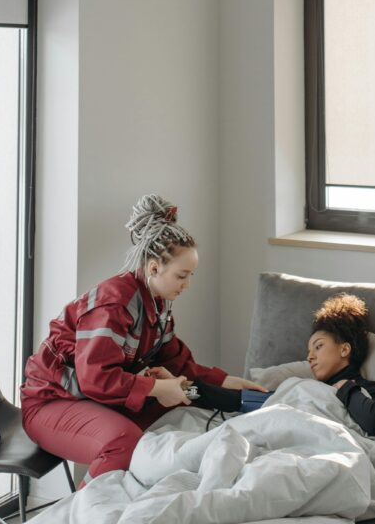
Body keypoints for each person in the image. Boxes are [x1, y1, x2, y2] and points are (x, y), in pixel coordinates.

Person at [21, 194, 265, 485]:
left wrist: (230, 383)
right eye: (182, 276)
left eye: (191, 275)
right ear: (153, 268)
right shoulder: (114, 304)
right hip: (50, 404)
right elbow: (95, 379)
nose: (188, 285)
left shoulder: (157, 303)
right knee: (124, 441)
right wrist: (155, 387)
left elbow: (178, 363)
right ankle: (82, 511)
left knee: (180, 402)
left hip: (90, 401)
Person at [307, 293, 375, 436]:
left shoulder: (374, 389)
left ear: (344, 349)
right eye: (308, 351)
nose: (309, 357)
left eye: (318, 346)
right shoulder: (309, 389)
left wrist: (344, 387)